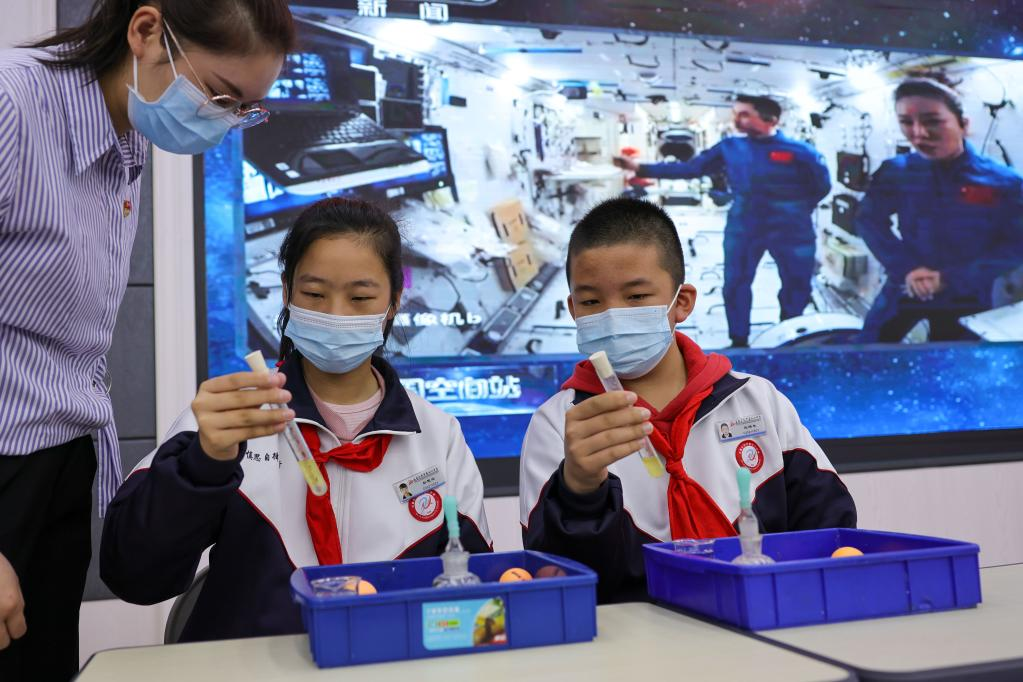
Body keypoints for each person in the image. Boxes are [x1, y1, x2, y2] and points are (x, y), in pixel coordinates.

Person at [0, 1, 292, 678]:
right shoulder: (13, 106)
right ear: (145, 31)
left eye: (244, 110)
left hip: (57, 463)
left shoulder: (126, 139)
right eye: (220, 95)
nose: (222, 123)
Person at [101, 198, 492, 642]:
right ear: (287, 293)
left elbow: (477, 601)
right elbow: (133, 577)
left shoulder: (437, 436)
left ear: (393, 302)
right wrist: (203, 464)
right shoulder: (229, 419)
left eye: (360, 297)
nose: (336, 314)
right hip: (250, 669)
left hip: (389, 664)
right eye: (314, 294)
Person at [519, 197, 855, 603]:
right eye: (591, 301)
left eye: (636, 297)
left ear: (682, 302)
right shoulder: (561, 425)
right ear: (573, 309)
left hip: (765, 623)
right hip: (632, 638)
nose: (612, 316)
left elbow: (829, 528)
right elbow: (555, 578)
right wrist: (579, 490)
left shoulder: (756, 400)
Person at [614, 95, 832, 348]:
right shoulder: (730, 147)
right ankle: (739, 340)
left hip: (792, 228)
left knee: (796, 283)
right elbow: (692, 168)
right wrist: (641, 168)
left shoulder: (801, 151)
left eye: (744, 114)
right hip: (745, 225)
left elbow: (822, 186)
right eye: (736, 113)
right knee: (736, 283)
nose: (736, 119)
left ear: (770, 119)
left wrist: (794, 209)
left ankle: (791, 334)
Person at [856, 78, 1023, 342]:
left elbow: (1016, 244)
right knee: (867, 350)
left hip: (965, 291)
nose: (918, 133)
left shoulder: (1003, 182)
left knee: (951, 361)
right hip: (907, 282)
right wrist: (906, 268)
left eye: (932, 121)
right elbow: (869, 220)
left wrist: (950, 278)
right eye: (906, 122)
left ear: (964, 124)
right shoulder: (897, 172)